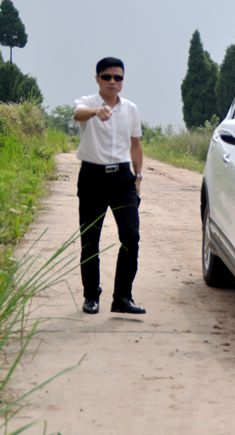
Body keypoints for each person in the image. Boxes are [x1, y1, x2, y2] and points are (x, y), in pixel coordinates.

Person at [73, 57, 146, 314]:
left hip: (123, 179)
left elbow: (135, 144)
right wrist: (96, 112)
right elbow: (77, 114)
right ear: (98, 79)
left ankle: (122, 298)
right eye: (107, 77)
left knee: (131, 237)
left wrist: (138, 177)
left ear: (123, 80)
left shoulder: (131, 109)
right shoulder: (87, 103)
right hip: (93, 177)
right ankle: (91, 296)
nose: (112, 82)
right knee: (90, 239)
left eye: (118, 77)